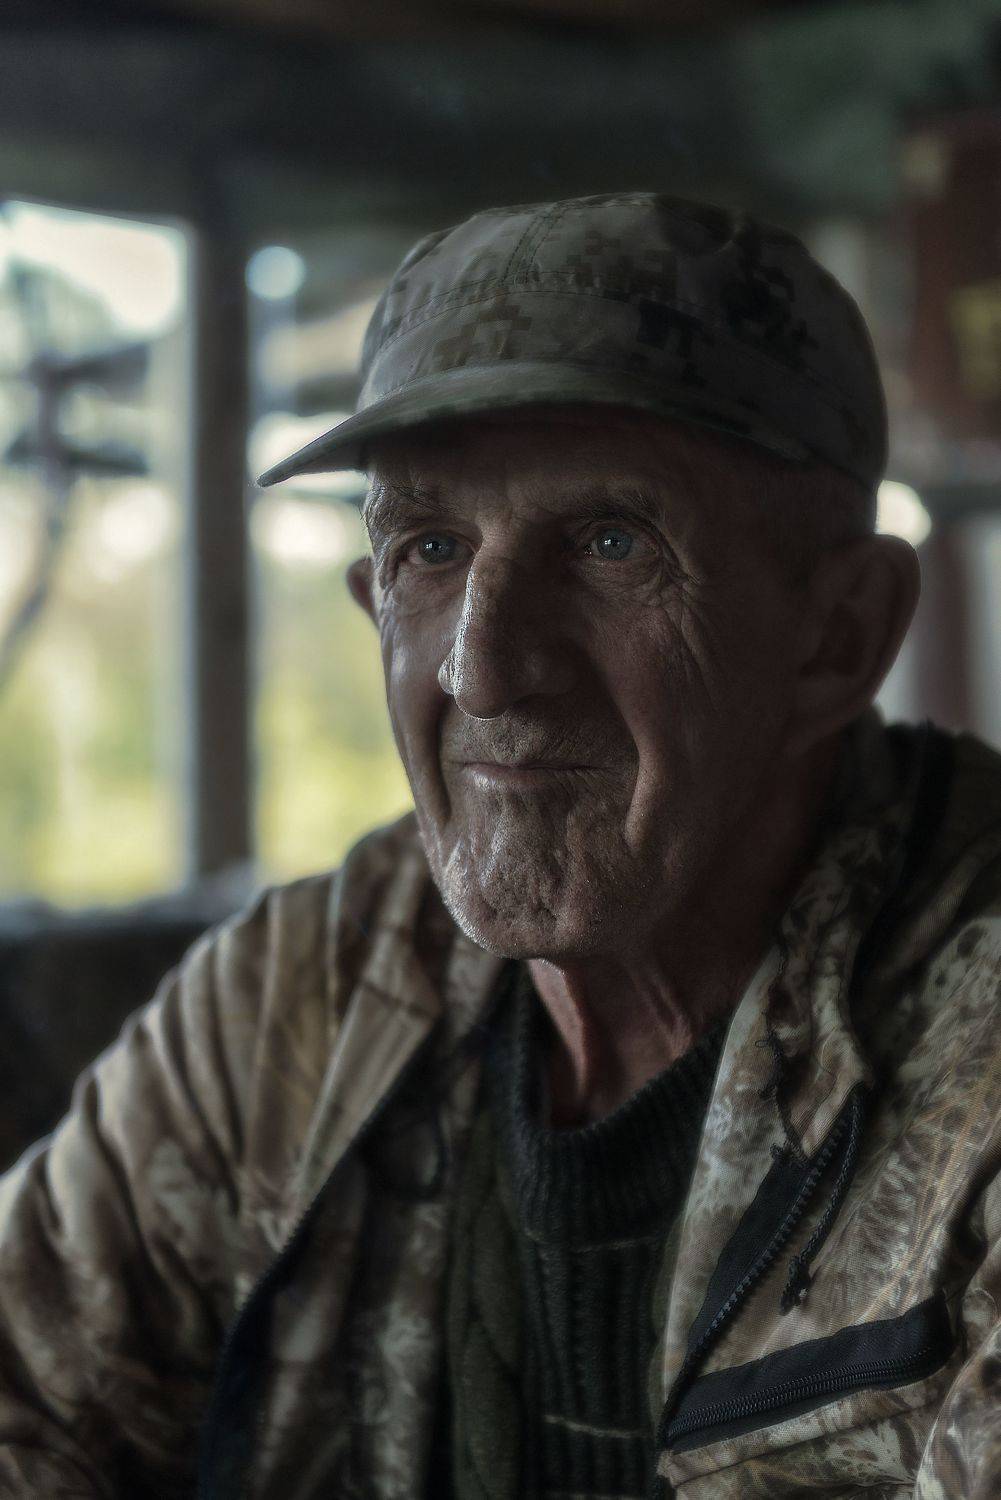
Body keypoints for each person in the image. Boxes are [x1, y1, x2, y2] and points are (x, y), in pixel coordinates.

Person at [0, 193, 998, 1500]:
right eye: (430, 548)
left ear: (837, 636)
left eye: (609, 543)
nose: (481, 668)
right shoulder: (303, 996)